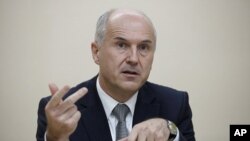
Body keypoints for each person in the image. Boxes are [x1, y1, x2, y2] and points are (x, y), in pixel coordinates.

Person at [36, 8, 195, 141]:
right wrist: (55, 137)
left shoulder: (175, 105)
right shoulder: (59, 112)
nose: (133, 59)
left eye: (143, 48)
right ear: (96, 52)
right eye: (121, 45)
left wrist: (171, 132)